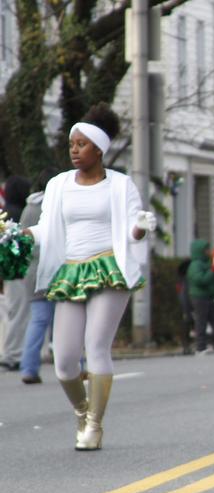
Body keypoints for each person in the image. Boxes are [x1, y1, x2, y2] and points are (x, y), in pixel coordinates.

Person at [22, 102, 155, 450]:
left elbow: (131, 230)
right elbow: (46, 228)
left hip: (109, 269)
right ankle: (83, 410)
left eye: (82, 145)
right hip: (71, 271)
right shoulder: (58, 185)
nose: (75, 151)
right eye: (72, 145)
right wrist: (20, 237)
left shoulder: (120, 185)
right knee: (64, 361)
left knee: (96, 346)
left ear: (99, 149)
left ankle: (95, 426)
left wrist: (140, 229)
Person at [17, 168, 60, 384]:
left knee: (38, 321)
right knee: (65, 320)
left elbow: (22, 239)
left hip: (31, 271)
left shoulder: (28, 207)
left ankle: (28, 367)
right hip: (56, 269)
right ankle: (76, 367)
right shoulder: (56, 206)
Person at [0, 175, 32, 372]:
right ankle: (12, 354)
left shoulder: (4, 213)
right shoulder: (18, 214)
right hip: (18, 270)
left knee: (12, 311)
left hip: (8, 271)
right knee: (19, 312)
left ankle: (12, 351)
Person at [186, 239, 214, 353]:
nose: (208, 252)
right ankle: (200, 346)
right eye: (206, 250)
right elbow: (201, 280)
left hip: (208, 296)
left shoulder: (206, 262)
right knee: (201, 321)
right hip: (199, 297)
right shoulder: (195, 265)